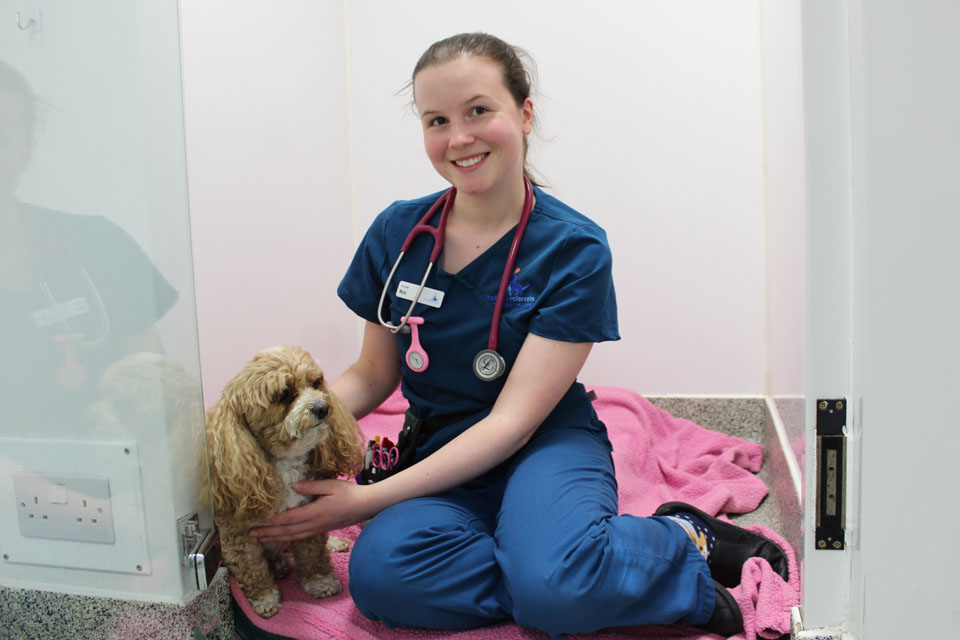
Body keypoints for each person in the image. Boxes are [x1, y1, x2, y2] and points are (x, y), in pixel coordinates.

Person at [250, 33, 787, 638]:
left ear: (525, 113)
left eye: (479, 110)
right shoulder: (398, 235)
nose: (459, 138)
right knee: (382, 579)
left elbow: (512, 423)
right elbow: (375, 374)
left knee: (552, 585)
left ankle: (677, 543)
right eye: (437, 120)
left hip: (543, 445)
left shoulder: (573, 248)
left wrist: (365, 502)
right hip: (439, 448)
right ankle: (568, 573)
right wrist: (273, 424)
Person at [0, 59, 179, 434]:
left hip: (118, 482)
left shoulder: (101, 246)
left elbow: (157, 397)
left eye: (4, 134)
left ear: (26, 148)